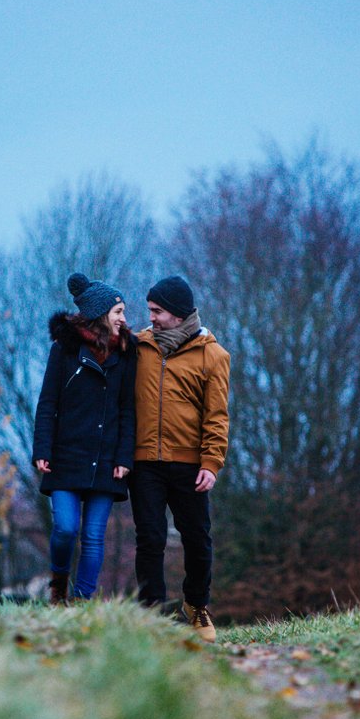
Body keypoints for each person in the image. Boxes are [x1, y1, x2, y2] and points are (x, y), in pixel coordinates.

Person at [129, 275, 230, 641]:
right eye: (150, 311)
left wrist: (211, 463)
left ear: (178, 312)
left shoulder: (213, 356)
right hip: (144, 464)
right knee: (150, 538)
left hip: (191, 465)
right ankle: (152, 613)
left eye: (157, 311)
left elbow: (217, 416)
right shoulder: (138, 347)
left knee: (198, 540)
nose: (151, 317)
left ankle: (196, 606)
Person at [32, 272, 137, 604]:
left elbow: (127, 411)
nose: (124, 318)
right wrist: (42, 448)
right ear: (101, 313)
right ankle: (58, 586)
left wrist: (123, 458)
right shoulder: (64, 351)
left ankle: (81, 603)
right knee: (65, 528)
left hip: (106, 462)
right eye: (118, 312)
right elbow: (48, 403)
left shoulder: (125, 356)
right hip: (66, 457)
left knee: (93, 537)